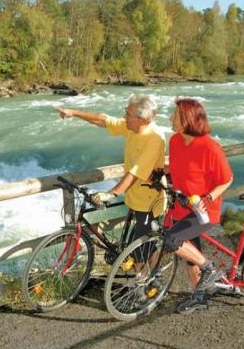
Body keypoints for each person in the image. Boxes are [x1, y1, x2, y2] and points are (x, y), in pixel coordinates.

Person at [57, 94, 166, 248]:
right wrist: (74, 113)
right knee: (133, 247)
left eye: (128, 115)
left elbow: (136, 172)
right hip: (133, 196)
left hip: (149, 201)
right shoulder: (131, 127)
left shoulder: (155, 138)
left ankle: (151, 272)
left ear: (143, 120)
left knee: (142, 250)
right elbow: (103, 120)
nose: (124, 117)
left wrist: (111, 193)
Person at [166, 97, 233, 314]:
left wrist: (209, 198)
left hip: (203, 210)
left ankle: (209, 269)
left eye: (175, 116)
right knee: (190, 253)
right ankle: (199, 297)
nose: (171, 118)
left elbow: (227, 179)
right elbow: (179, 168)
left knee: (172, 240)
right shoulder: (175, 141)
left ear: (187, 119)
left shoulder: (210, 147)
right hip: (181, 205)